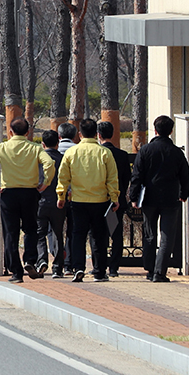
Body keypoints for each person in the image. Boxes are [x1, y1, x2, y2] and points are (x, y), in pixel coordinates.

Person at [0, 118, 55, 283]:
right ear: (28, 132)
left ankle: (16, 272)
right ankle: (29, 260)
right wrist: (45, 183)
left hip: (9, 194)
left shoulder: (2, 148)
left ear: (10, 132)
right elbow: (49, 163)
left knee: (10, 233)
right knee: (30, 229)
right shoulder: (35, 148)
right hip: (30, 193)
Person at [56, 118, 119, 283]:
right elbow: (112, 178)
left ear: (80, 134)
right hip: (100, 201)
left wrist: (61, 196)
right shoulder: (104, 153)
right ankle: (99, 272)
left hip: (78, 201)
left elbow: (63, 177)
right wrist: (114, 198)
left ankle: (78, 268)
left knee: (78, 235)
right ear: (96, 134)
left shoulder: (71, 152)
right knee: (99, 236)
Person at [130, 115, 189, 282]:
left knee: (149, 234)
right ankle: (160, 272)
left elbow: (137, 175)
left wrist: (134, 197)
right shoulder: (177, 152)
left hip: (149, 198)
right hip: (171, 199)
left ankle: (150, 269)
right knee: (167, 236)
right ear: (171, 131)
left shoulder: (145, 150)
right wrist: (183, 194)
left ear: (155, 131)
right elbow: (186, 176)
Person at [97, 121, 131, 277]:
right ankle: (114, 268)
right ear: (113, 134)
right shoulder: (122, 155)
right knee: (116, 234)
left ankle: (100, 265)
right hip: (117, 200)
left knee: (99, 234)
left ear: (98, 135)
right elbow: (126, 179)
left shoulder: (97, 154)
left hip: (99, 199)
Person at [36, 130, 66, 278]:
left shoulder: (38, 160)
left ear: (43, 144)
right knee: (58, 233)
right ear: (58, 142)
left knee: (39, 233)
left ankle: (41, 260)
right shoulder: (63, 159)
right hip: (59, 202)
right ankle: (57, 267)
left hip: (40, 201)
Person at [56, 121, 78, 272]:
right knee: (72, 230)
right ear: (75, 136)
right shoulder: (77, 150)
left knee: (55, 231)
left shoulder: (53, 150)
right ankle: (69, 264)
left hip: (56, 197)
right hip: (75, 196)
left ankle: (58, 264)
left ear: (59, 136)